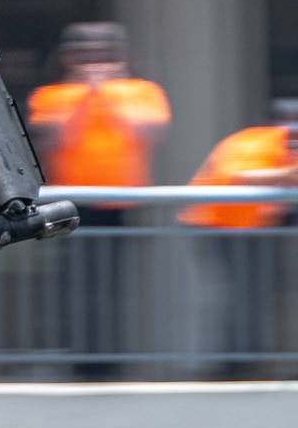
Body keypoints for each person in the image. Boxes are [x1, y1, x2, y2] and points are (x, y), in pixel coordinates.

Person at [26, 22, 169, 377]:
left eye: (104, 56)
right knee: (75, 286)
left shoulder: (142, 91)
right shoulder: (50, 95)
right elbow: (53, 138)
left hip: (121, 202)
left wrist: (106, 94)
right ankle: (81, 363)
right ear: (69, 60)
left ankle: (110, 363)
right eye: (86, 56)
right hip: (72, 203)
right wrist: (85, 95)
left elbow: (147, 131)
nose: (95, 63)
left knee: (114, 286)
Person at [178, 100, 298, 377]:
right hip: (221, 224)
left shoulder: (287, 146)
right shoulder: (254, 141)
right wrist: (289, 174)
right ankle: (234, 367)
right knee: (241, 298)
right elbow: (237, 176)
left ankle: (249, 362)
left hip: (253, 227)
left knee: (255, 297)